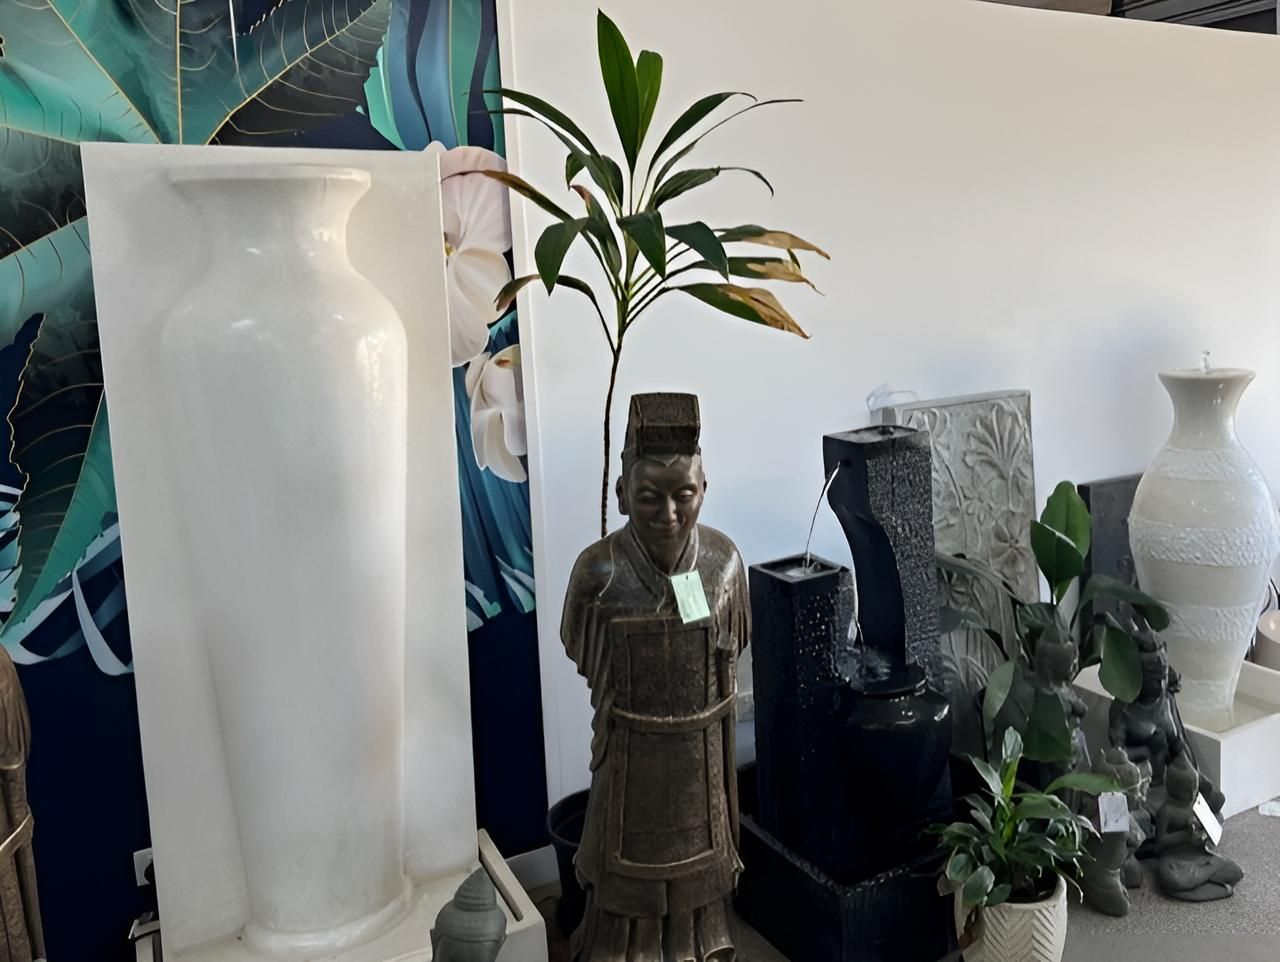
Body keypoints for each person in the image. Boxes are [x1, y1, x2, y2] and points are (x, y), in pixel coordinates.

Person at [560, 393, 749, 962]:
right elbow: (580, 647)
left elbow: (734, 651)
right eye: (649, 498)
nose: (669, 514)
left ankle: (701, 942)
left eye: (683, 495)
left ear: (704, 490)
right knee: (624, 888)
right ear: (622, 495)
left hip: (700, 753)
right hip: (630, 756)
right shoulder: (596, 575)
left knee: (702, 871)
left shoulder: (724, 564)